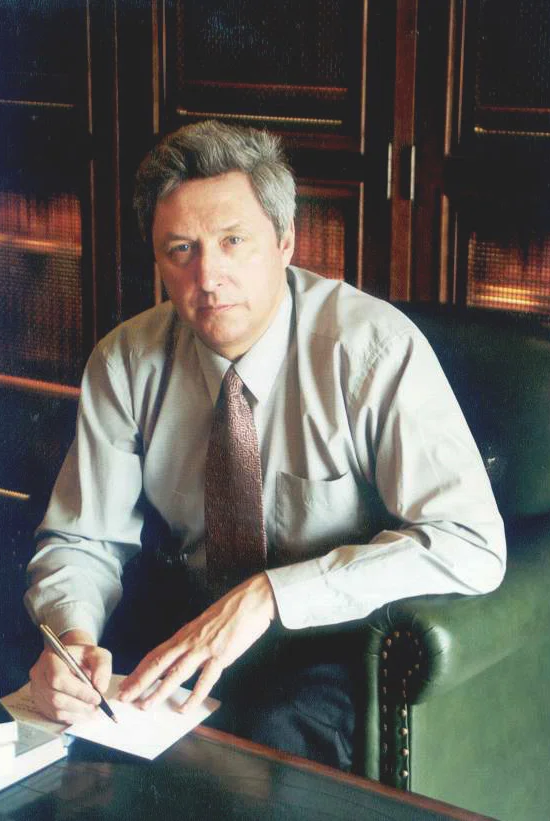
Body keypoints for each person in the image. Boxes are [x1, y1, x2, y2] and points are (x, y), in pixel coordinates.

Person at [25, 120, 506, 771]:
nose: (208, 276)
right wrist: (72, 638)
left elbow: (471, 542)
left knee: (268, 745)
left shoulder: (372, 349)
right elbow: (83, 537)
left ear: (285, 243)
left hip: (334, 640)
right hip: (187, 620)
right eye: (181, 250)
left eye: (233, 241)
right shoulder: (125, 361)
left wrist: (271, 595)